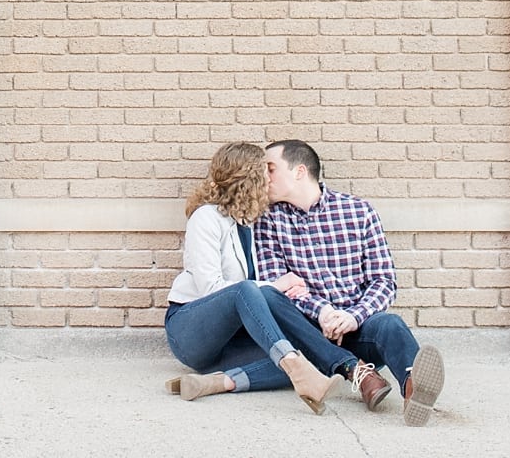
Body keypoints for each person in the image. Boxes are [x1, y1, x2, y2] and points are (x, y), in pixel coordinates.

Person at [253, 138, 447, 427]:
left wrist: (352, 317)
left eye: (270, 169)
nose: (262, 178)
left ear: (299, 172)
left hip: (358, 326)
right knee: (267, 296)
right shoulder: (268, 221)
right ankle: (356, 370)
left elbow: (384, 280)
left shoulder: (358, 212)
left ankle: (413, 389)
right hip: (307, 333)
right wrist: (323, 312)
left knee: (390, 323)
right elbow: (277, 284)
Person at [161, 141, 352, 413]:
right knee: (247, 290)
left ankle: (216, 383)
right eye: (266, 172)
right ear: (250, 179)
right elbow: (211, 288)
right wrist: (275, 285)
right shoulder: (206, 218)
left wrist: (284, 293)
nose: (269, 179)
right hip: (189, 330)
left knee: (301, 349)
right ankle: (307, 373)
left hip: (231, 341)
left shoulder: (248, 223)